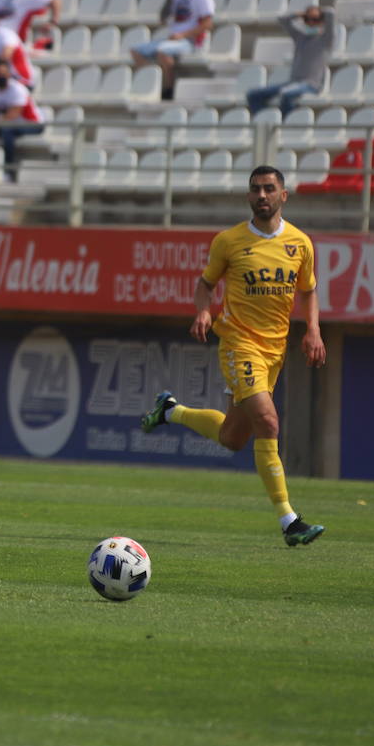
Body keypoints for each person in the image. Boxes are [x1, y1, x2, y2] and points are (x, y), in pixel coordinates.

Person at [140, 165, 327, 548]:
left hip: (275, 350)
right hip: (239, 343)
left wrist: (313, 330)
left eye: (269, 188)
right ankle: (289, 520)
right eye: (256, 189)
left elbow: (307, 291)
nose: (262, 195)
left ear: (283, 195)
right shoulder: (229, 241)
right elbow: (205, 284)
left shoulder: (300, 244)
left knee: (232, 437)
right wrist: (204, 310)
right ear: (248, 196)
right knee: (268, 421)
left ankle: (170, 411)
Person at [131, 0, 215, 100]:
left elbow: (207, 24)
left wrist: (182, 35)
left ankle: (168, 90)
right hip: (172, 39)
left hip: (190, 40)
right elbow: (162, 19)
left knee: (163, 52)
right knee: (136, 51)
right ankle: (151, 82)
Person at [247, 6, 334, 113]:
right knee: (253, 95)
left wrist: (319, 13)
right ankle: (263, 121)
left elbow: (330, 14)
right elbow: (282, 20)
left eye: (315, 20)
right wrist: (300, 14)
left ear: (321, 21)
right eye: (307, 19)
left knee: (287, 94)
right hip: (292, 83)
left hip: (311, 85)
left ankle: (287, 126)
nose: (311, 22)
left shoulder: (325, 40)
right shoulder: (300, 38)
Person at [0, 59, 42, 176]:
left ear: (9, 73)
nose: (0, 76)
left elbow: (12, 115)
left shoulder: (17, 89)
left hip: (32, 123)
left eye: (3, 73)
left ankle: (9, 170)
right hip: (5, 123)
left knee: (7, 131)